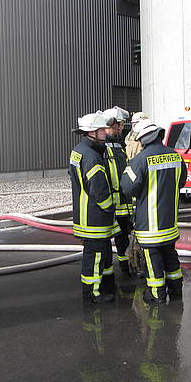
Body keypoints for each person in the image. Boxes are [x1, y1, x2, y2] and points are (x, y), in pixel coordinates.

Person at [120, 119, 187, 304]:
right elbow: (181, 181)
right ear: (159, 135)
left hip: (149, 224)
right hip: (169, 222)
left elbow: (127, 188)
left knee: (152, 259)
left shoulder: (140, 160)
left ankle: (157, 294)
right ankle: (176, 289)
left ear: (142, 139)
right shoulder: (175, 156)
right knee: (170, 255)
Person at [69, 111, 120, 303]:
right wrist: (111, 208)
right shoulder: (92, 157)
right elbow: (99, 192)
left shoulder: (79, 150)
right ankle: (92, 293)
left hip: (86, 214)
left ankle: (106, 285)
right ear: (92, 132)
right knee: (95, 256)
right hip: (94, 218)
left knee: (102, 253)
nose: (106, 132)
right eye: (102, 130)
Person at [103, 106, 135, 276]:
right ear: (112, 124)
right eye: (120, 125)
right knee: (107, 238)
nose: (122, 128)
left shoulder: (119, 145)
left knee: (123, 236)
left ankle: (125, 267)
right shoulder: (102, 147)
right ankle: (108, 274)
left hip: (123, 202)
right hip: (110, 203)